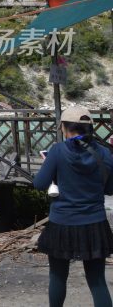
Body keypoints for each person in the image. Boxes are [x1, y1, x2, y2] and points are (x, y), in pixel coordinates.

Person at [34, 106, 113, 307]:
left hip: (62, 223)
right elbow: (110, 188)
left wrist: (54, 172)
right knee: (97, 282)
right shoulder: (104, 153)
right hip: (94, 223)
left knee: (58, 276)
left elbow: (39, 184)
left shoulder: (58, 151)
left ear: (63, 127)